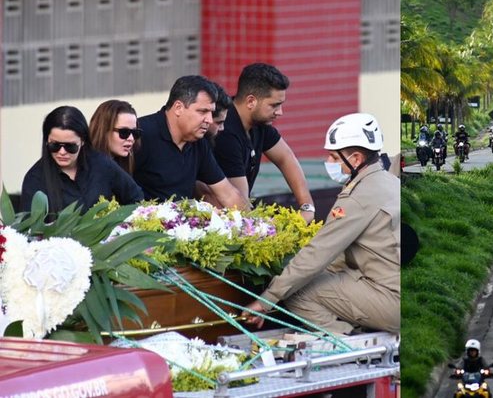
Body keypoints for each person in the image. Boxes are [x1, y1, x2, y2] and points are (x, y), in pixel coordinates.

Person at [243, 113, 399, 334]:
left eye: (334, 158)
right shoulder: (389, 182)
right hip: (393, 289)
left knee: (298, 292)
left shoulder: (356, 198)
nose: (329, 163)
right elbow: (338, 256)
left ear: (355, 159)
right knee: (324, 275)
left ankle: (352, 342)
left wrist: (266, 300)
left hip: (390, 299)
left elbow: (318, 253)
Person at [210, 64, 314, 221]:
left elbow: (286, 158)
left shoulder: (260, 123)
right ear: (251, 101)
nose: (280, 112)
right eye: (274, 105)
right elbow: (240, 205)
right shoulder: (226, 133)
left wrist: (307, 207)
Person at [133, 75, 250, 209]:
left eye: (211, 113)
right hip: (141, 224)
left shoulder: (199, 143)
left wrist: (254, 225)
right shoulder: (140, 135)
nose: (209, 120)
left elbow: (227, 194)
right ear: (178, 108)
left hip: (183, 225)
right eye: (203, 111)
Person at [21, 106, 143, 213]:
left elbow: (136, 198)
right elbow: (31, 228)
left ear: (83, 141)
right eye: (55, 145)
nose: (62, 152)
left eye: (70, 146)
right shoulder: (35, 179)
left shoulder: (102, 164)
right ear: (46, 142)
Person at [89, 100, 141, 175]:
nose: (131, 139)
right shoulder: (86, 167)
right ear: (104, 130)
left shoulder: (123, 164)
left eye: (135, 133)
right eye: (124, 132)